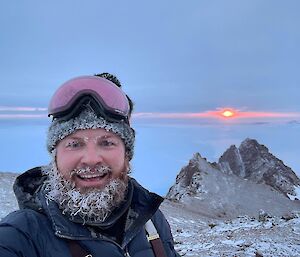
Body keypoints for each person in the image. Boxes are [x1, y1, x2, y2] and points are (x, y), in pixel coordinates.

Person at [0, 73, 180, 257]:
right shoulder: (21, 235)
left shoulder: (152, 223)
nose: (91, 159)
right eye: (75, 144)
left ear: (126, 154)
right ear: (55, 156)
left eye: (107, 142)